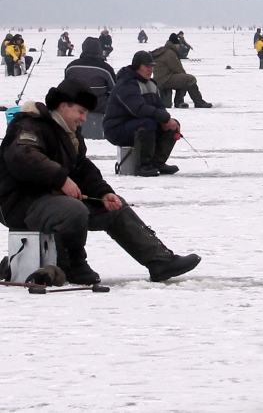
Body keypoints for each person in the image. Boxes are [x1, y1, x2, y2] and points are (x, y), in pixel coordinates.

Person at [0, 79, 200, 284]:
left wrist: (103, 192)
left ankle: (160, 261)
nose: (84, 119)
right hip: (21, 204)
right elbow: (23, 157)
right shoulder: (29, 126)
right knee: (72, 210)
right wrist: (61, 179)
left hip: (53, 200)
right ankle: (73, 266)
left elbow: (82, 168)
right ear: (62, 106)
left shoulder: (69, 132)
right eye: (81, 111)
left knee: (114, 206)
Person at [102, 51, 182, 178]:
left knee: (173, 125)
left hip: (137, 124)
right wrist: (164, 118)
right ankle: (144, 165)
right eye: (147, 66)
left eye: (152, 66)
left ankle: (158, 162)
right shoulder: (126, 84)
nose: (150, 69)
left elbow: (159, 106)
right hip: (116, 129)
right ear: (136, 66)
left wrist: (166, 121)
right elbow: (139, 109)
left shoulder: (151, 84)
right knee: (148, 123)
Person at [64, 37, 116, 138]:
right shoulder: (105, 69)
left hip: (74, 108)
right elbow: (114, 91)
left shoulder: (71, 67)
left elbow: (65, 88)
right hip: (99, 109)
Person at [151, 34, 212, 109]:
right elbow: (178, 69)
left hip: (159, 80)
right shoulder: (170, 53)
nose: (179, 47)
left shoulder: (163, 50)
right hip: (165, 79)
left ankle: (178, 102)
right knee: (188, 79)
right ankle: (197, 102)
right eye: (178, 45)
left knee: (166, 105)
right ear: (175, 44)